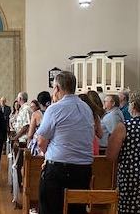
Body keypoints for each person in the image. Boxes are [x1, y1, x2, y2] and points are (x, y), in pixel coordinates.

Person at [37, 71, 93, 214]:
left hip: (58, 171)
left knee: (50, 209)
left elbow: (41, 141)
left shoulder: (54, 109)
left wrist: (47, 154)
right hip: (83, 170)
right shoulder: (86, 108)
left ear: (57, 88)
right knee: (76, 210)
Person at [27, 91, 51, 156]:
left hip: (40, 145)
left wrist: (28, 144)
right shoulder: (53, 112)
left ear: (39, 103)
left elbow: (30, 134)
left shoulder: (36, 114)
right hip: (51, 145)